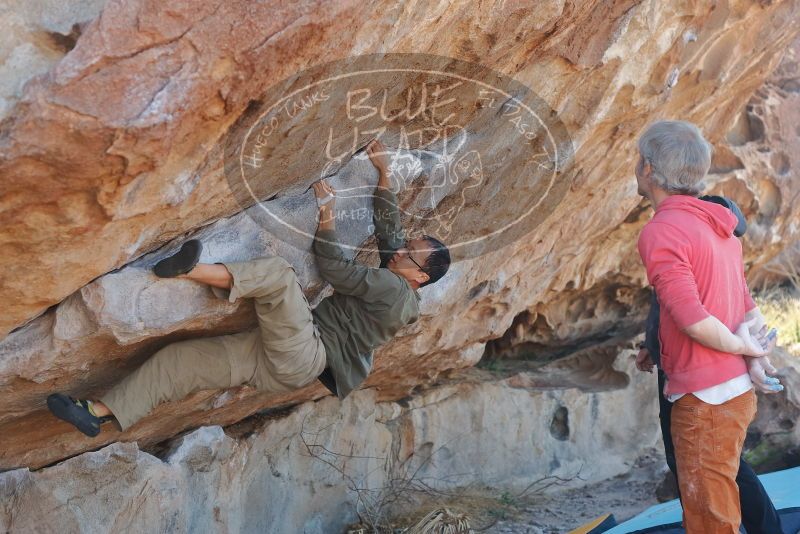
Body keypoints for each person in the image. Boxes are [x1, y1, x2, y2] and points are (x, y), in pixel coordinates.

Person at [47, 139, 451, 437]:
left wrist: (326, 213)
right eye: (407, 249)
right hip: (283, 363)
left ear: (419, 277)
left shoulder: (393, 290)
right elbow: (390, 234)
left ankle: (189, 270)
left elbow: (334, 268)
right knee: (178, 361)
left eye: (409, 256)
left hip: (306, 352)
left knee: (278, 276)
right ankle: (95, 412)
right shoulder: (399, 284)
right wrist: (385, 176)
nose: (399, 253)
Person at [634, 120, 778, 533]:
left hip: (704, 398)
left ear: (648, 168)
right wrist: (753, 349)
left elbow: (694, 319)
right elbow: (744, 304)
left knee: (710, 518)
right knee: (721, 502)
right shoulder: (720, 226)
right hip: (734, 394)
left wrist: (744, 348)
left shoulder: (662, 230)